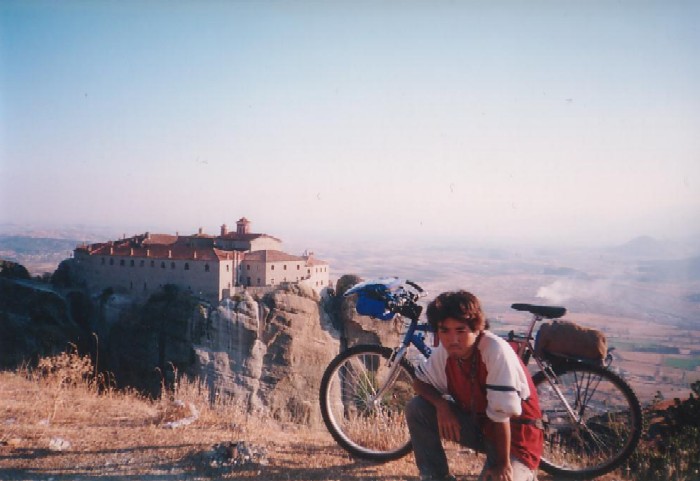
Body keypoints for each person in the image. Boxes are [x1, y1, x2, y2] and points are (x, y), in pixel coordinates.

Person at [406, 290, 543, 481]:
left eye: (460, 330)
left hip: (516, 440)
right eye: (444, 330)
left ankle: (524, 474)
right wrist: (441, 406)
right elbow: (420, 383)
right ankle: (434, 476)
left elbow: (501, 416)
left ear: (476, 328)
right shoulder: (447, 352)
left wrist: (502, 466)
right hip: (483, 428)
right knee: (417, 408)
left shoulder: (494, 350)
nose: (452, 339)